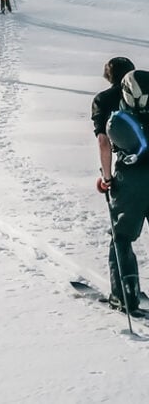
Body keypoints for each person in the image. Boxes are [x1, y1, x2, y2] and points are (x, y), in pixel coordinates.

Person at [92, 57, 141, 310]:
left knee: (121, 236)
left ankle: (125, 295)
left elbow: (103, 142)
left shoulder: (104, 100)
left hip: (129, 177)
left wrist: (107, 178)